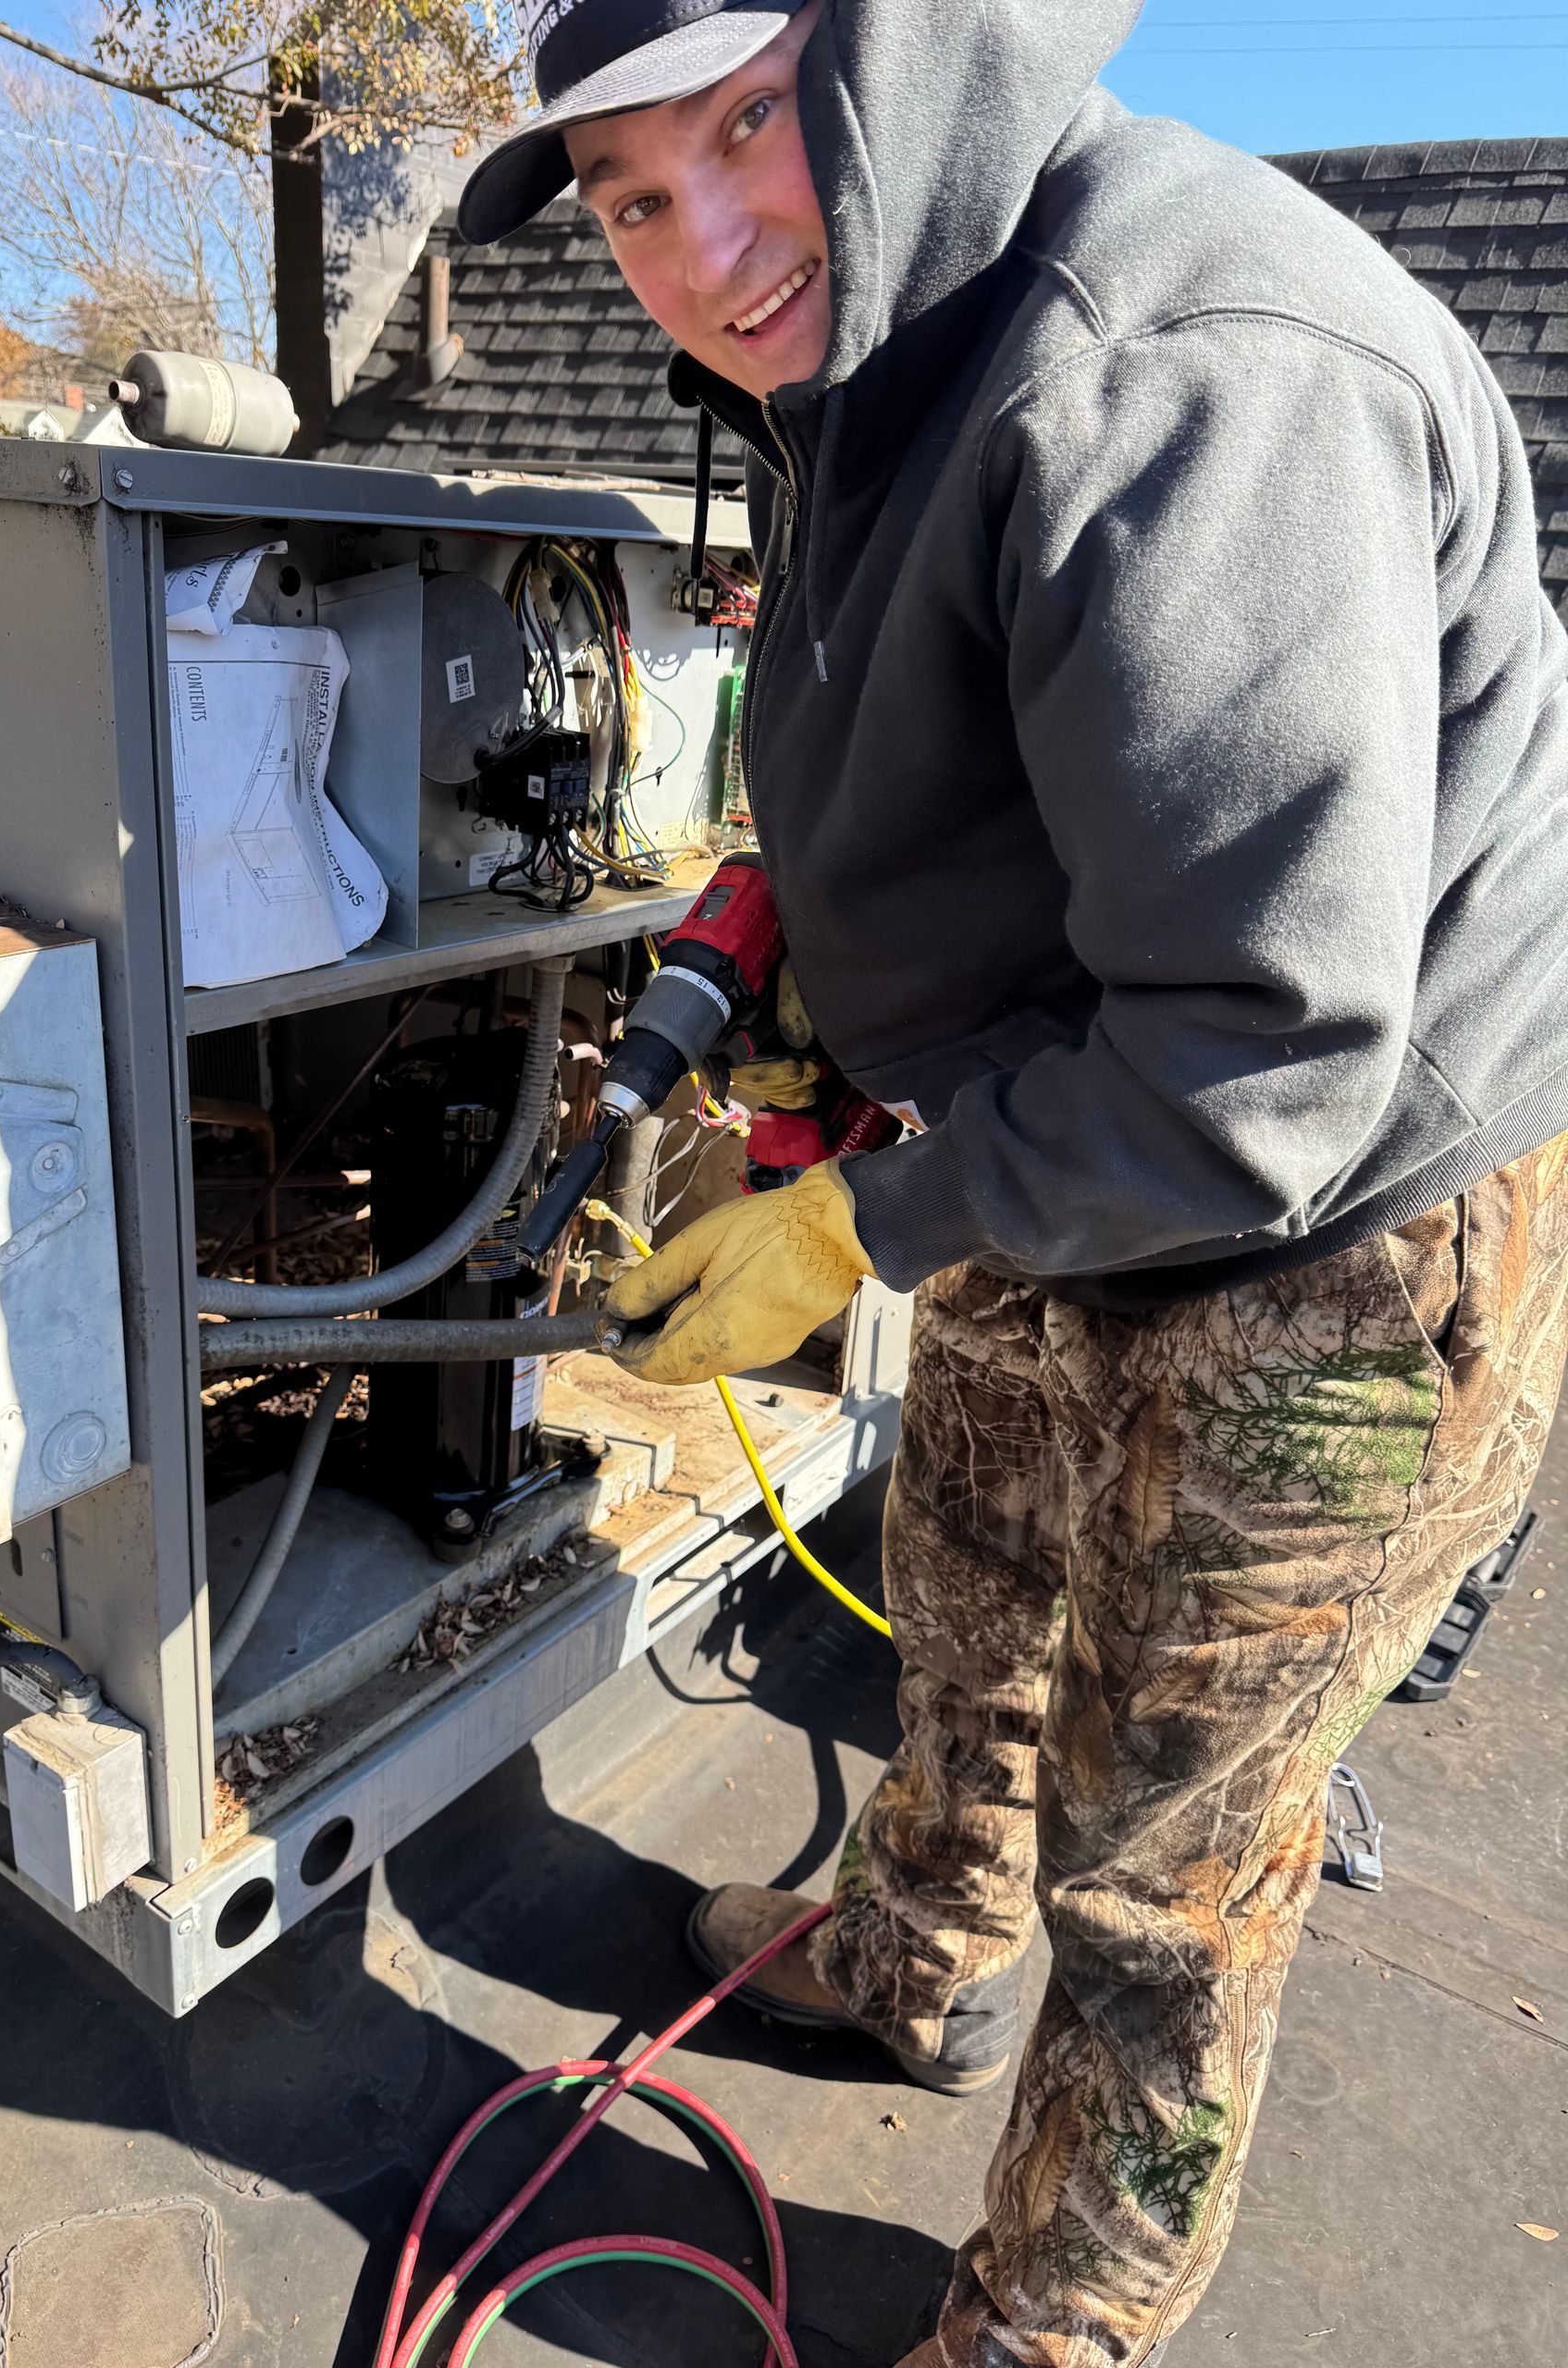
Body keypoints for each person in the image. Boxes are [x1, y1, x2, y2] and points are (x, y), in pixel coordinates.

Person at [461, 6, 1568, 2363]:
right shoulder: (868, 341)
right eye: (634, 194)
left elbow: (1268, 1054)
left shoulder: (1181, 375)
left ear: (887, 56)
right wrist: (817, 984)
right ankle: (917, 1944)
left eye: (746, 123)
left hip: (1339, 1224)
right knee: (965, 1581)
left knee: (1169, 1857)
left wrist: (844, 1225)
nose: (702, 247)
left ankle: (1056, 2318)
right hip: (1050, 1115)